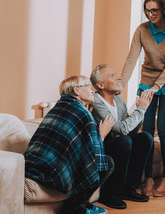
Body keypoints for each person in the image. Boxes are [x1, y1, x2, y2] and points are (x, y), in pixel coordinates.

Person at [120, 0, 165, 197]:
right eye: (147, 10)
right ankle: (148, 176)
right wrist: (120, 84)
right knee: (147, 131)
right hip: (146, 84)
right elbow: (132, 59)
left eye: (154, 10)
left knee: (163, 130)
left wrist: (156, 87)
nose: (150, 14)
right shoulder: (142, 30)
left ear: (164, 9)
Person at [24, 75, 115, 214]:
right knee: (108, 163)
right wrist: (102, 134)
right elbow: (94, 155)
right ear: (77, 90)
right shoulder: (81, 112)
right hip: (52, 171)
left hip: (31, 165)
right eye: (88, 87)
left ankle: (81, 207)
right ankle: (77, 207)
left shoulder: (59, 108)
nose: (92, 91)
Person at [90, 64, 153, 209]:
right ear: (100, 84)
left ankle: (128, 189)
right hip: (100, 146)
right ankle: (109, 194)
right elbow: (121, 129)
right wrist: (141, 109)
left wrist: (141, 111)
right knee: (124, 142)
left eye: (116, 74)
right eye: (112, 76)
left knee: (145, 138)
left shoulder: (118, 101)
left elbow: (129, 131)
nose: (119, 77)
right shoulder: (96, 101)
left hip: (119, 142)